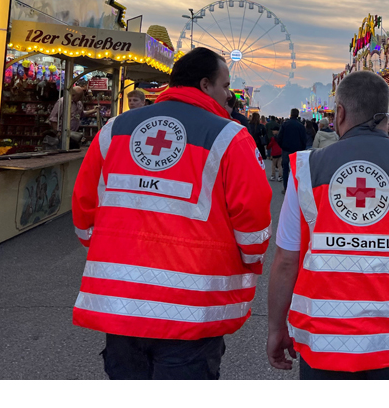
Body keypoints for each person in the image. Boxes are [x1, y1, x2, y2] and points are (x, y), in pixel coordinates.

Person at [71, 47, 272, 380]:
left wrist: (103, 248)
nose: (228, 95)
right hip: (191, 311)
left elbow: (84, 206)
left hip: (121, 304)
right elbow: (252, 221)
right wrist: (250, 261)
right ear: (206, 85)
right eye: (225, 86)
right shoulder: (229, 137)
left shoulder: (115, 129)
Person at [267, 71, 389, 380]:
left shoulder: (306, 168)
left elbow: (285, 261)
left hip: (323, 340)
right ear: (387, 116)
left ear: (340, 113)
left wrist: (277, 327)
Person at [276, 109, 307, 193]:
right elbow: (304, 139)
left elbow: (279, 137)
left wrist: (283, 146)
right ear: (297, 115)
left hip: (286, 150)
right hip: (297, 150)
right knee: (296, 170)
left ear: (290, 114)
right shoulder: (301, 126)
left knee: (285, 169)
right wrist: (302, 149)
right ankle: (295, 189)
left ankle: (286, 188)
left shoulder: (285, 124)